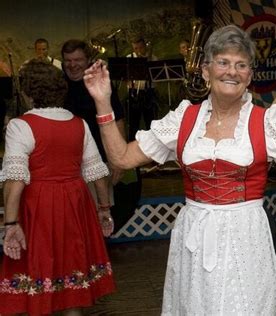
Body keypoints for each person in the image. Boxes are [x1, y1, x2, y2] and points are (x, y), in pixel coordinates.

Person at [83, 24, 276, 314]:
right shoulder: (184, 118)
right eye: (223, 62)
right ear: (206, 71)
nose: (232, 71)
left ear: (250, 76)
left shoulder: (267, 121)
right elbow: (121, 158)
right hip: (194, 233)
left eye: (241, 65)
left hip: (246, 234)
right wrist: (103, 101)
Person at [0, 60, 115, 315]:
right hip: (76, 205)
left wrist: (10, 224)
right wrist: (104, 208)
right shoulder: (80, 124)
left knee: (39, 272)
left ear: (27, 92)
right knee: (71, 277)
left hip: (37, 207)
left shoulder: (21, 125)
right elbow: (97, 173)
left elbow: (15, 179)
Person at [61, 39, 126, 202]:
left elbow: (117, 119)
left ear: (88, 60)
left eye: (78, 60)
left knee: (100, 213)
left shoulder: (100, 82)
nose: (72, 65)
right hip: (67, 165)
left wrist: (119, 158)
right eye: (68, 60)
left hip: (99, 161)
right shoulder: (58, 84)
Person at [126, 37, 159, 140]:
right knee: (133, 123)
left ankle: (153, 144)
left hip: (149, 92)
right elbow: (124, 77)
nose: (139, 51)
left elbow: (157, 78)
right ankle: (132, 143)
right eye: (136, 48)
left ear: (145, 46)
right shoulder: (129, 58)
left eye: (141, 47)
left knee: (151, 121)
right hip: (134, 92)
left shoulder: (153, 58)